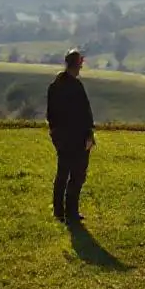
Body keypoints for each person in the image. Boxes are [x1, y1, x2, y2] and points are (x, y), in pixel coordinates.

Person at [46, 49, 95, 223]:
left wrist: (55, 134)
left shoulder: (55, 86)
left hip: (63, 138)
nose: (81, 67)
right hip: (76, 138)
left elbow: (50, 115)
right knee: (76, 175)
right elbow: (85, 113)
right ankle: (71, 211)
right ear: (76, 64)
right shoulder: (75, 86)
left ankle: (59, 210)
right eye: (80, 63)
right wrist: (89, 134)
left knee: (63, 173)